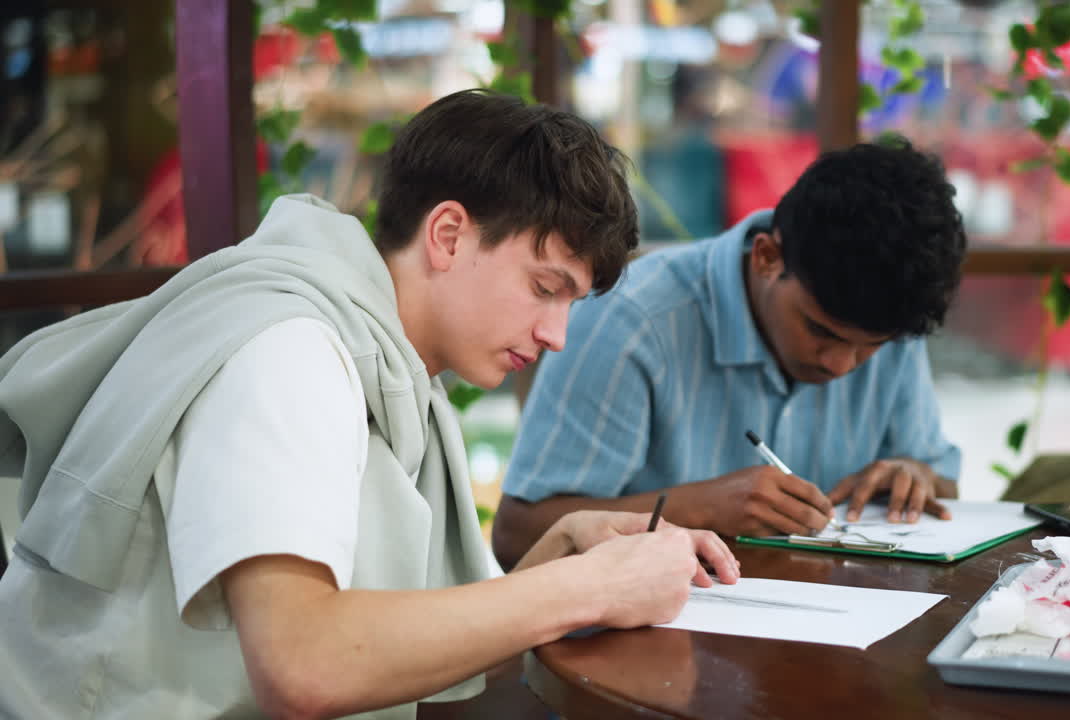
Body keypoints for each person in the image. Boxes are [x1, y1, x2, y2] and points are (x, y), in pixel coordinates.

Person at [0, 89, 738, 719]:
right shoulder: (294, 352)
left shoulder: (390, 360)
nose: (557, 335)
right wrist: (584, 589)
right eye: (546, 289)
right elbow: (303, 663)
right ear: (447, 234)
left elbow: (401, 639)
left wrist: (562, 550)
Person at [493, 136, 967, 570]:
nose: (840, 365)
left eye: (872, 350)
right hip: (635, 651)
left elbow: (943, 483)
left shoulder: (887, 314)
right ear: (766, 257)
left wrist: (915, 476)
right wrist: (694, 508)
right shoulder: (632, 323)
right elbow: (516, 536)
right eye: (821, 331)